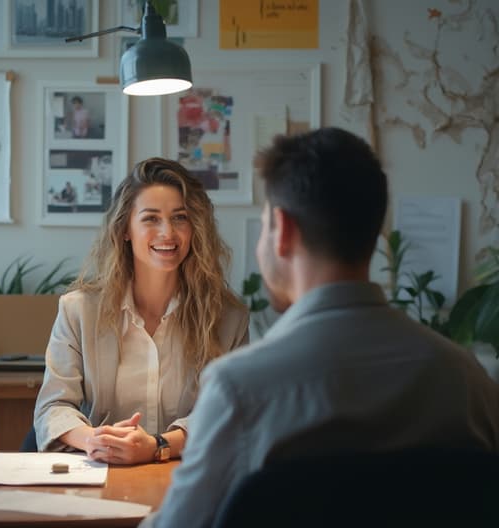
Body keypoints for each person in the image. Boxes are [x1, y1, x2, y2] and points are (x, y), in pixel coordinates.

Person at [139, 127, 499, 527]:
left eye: (263, 224)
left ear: (283, 230)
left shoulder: (238, 390)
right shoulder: (467, 382)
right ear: (373, 228)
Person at [32, 157, 249, 464]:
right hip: (100, 471)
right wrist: (96, 440)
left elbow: (228, 413)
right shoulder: (78, 309)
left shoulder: (228, 318)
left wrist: (157, 445)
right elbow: (52, 407)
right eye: (151, 219)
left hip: (186, 473)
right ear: (125, 229)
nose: (167, 233)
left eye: (180, 218)